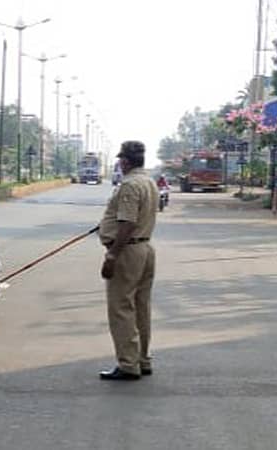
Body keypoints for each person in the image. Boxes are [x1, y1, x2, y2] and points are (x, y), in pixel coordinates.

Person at [98, 141, 159, 381]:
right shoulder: (149, 181)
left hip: (127, 251)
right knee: (140, 307)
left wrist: (112, 255)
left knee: (121, 307)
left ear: (124, 161)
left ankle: (128, 364)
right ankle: (142, 359)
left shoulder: (130, 185)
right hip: (144, 248)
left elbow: (128, 222)